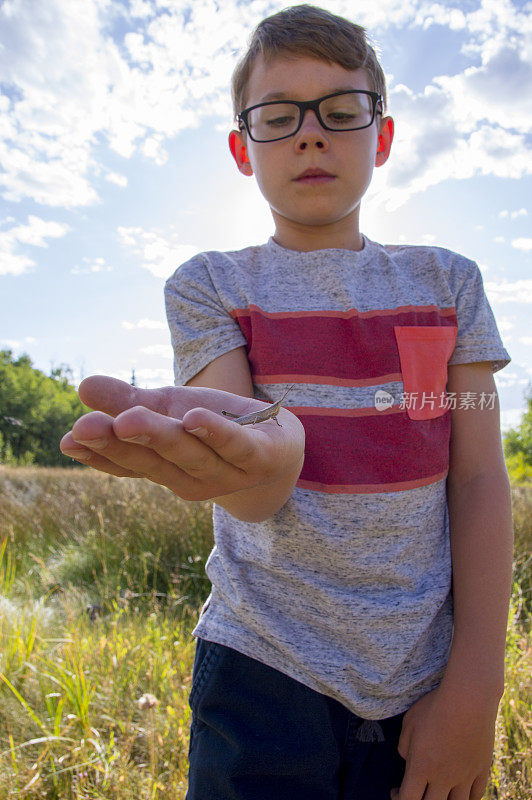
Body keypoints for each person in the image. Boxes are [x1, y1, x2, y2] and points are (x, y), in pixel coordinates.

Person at [60, 5, 514, 799]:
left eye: (342, 113)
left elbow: (477, 478)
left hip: (428, 675)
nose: (312, 135)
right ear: (243, 149)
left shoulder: (450, 284)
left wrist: (477, 690)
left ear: (384, 136)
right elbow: (256, 484)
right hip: (260, 672)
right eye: (279, 117)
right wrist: (259, 458)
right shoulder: (209, 286)